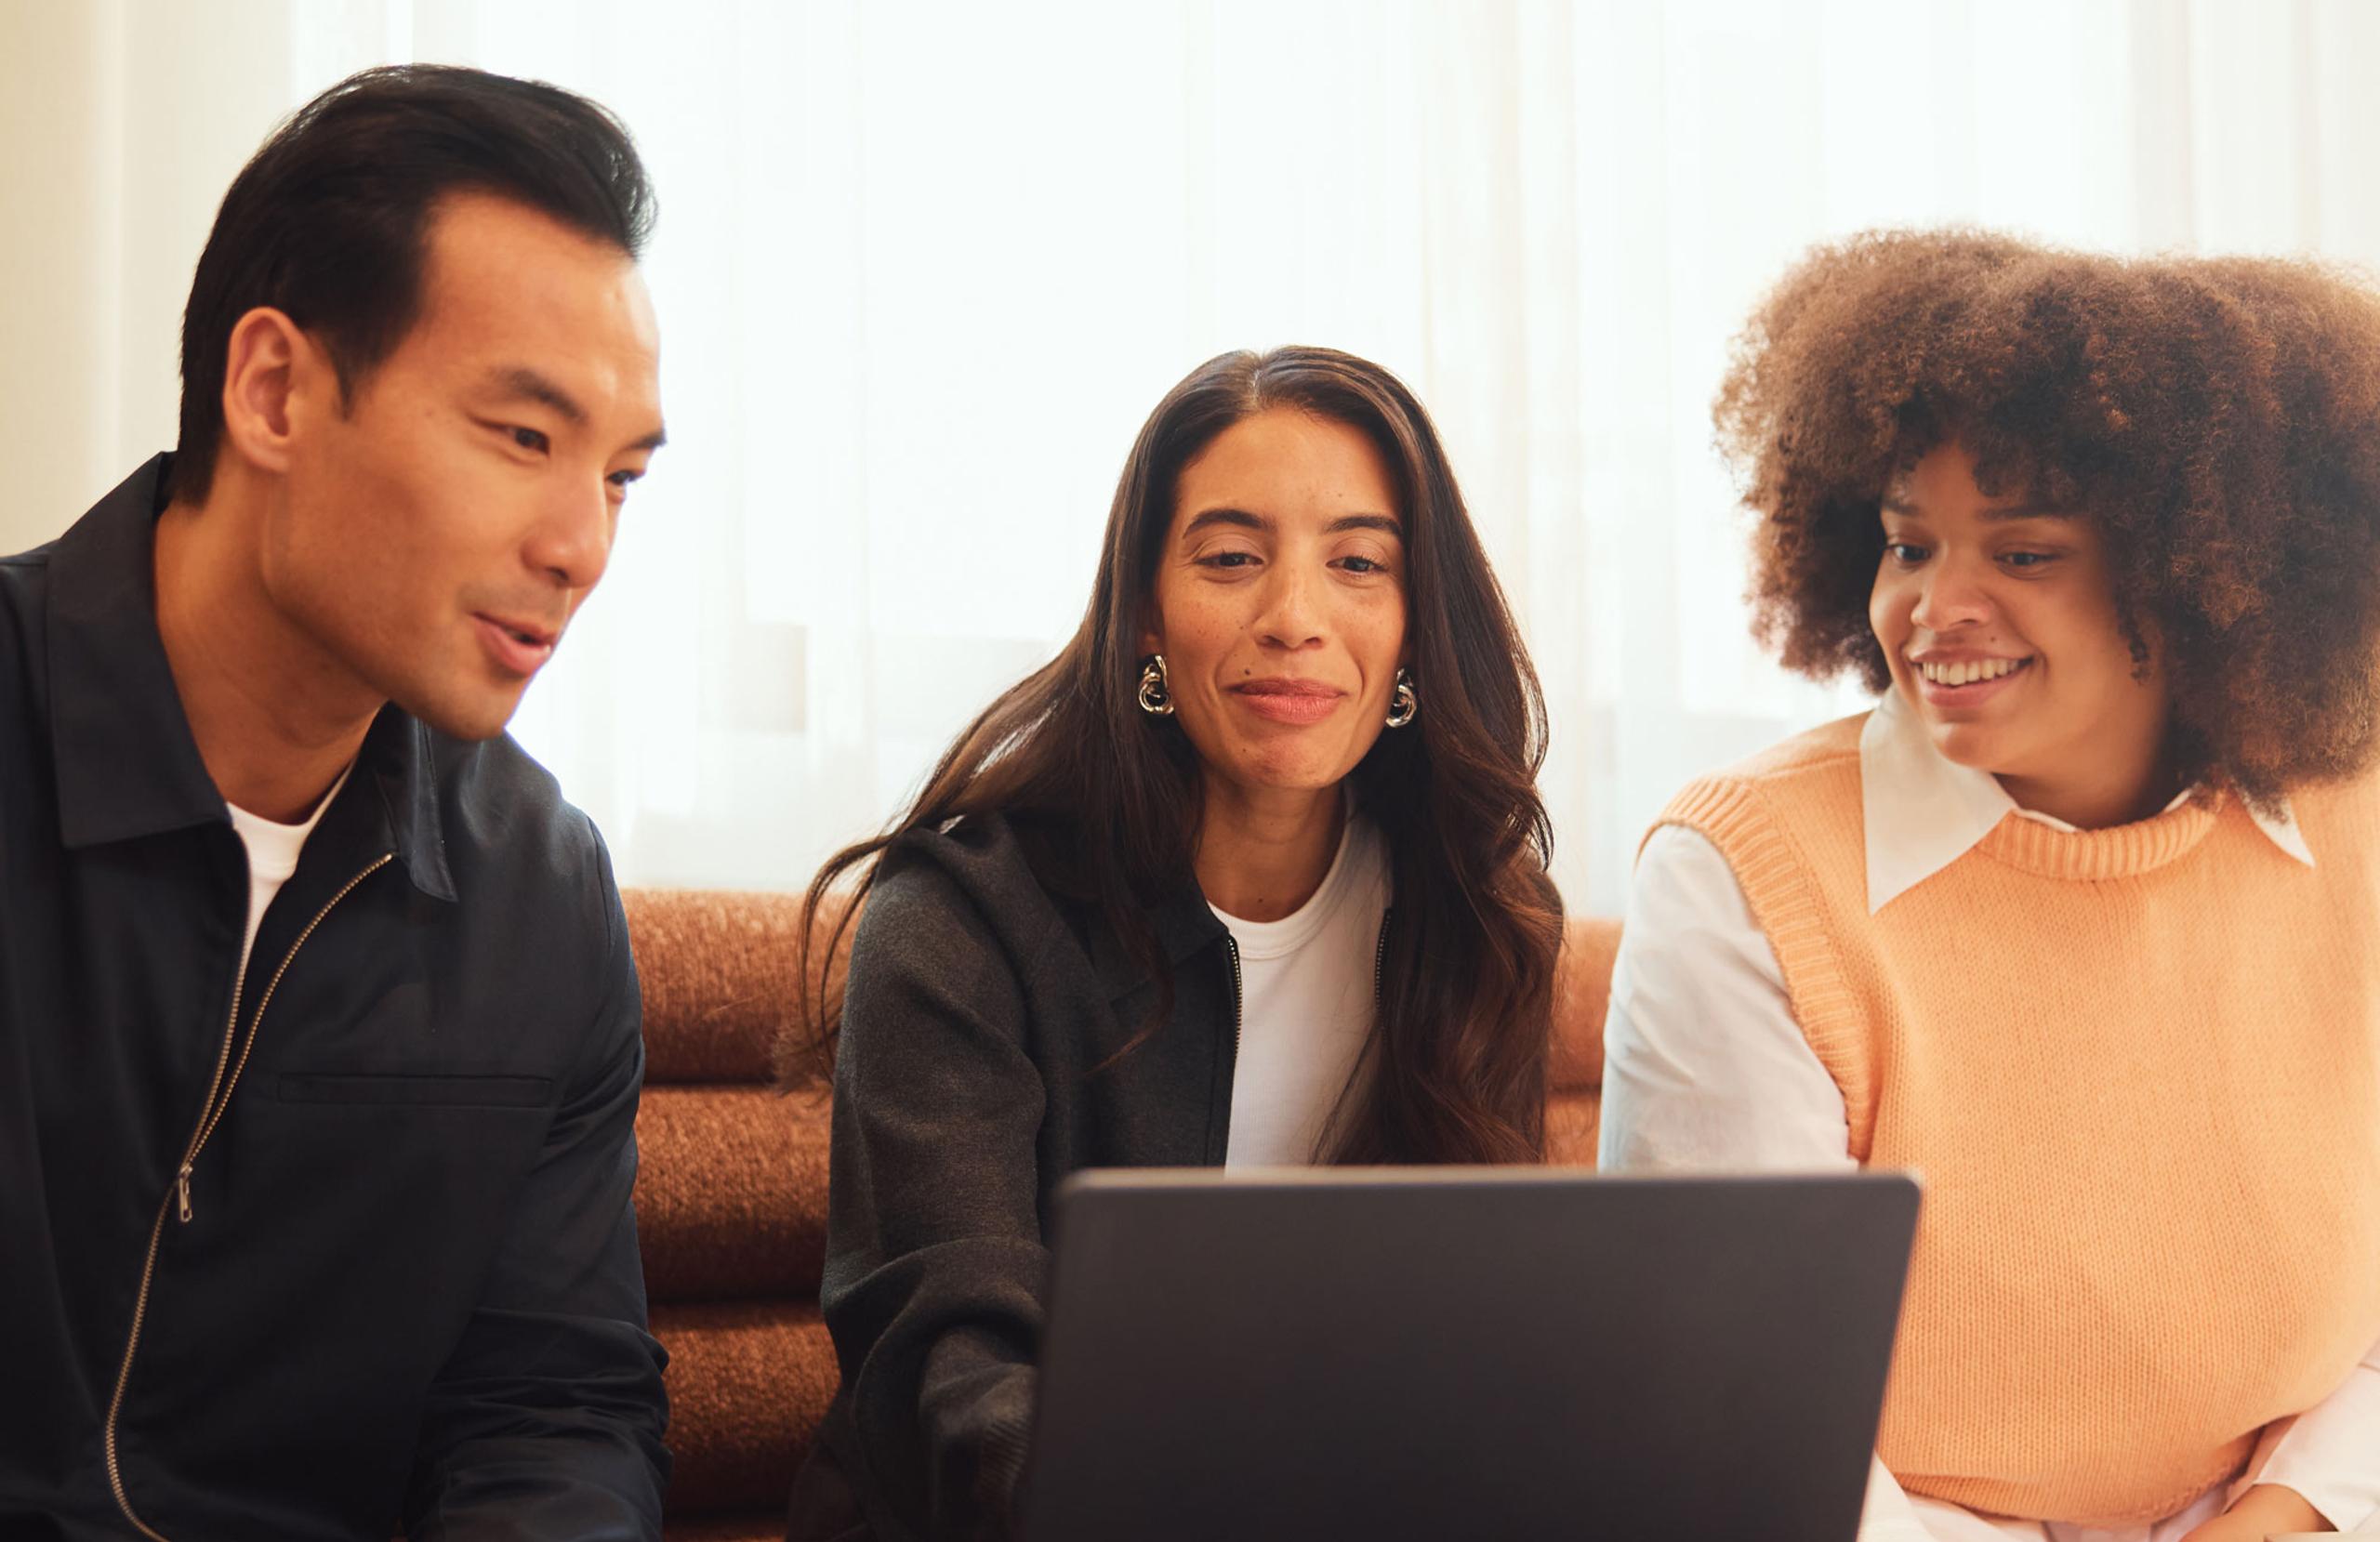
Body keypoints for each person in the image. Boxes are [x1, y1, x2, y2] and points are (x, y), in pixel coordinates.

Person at [1600, 230, 2380, 1542]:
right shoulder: (1746, 871)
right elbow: (1740, 1422)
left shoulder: (2348, 812)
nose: (1934, 607)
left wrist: (2291, 1513)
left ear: (2201, 582)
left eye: (2021, 554)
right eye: (1910, 547)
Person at [0, 65, 672, 1538]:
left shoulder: (541, 894)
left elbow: (549, 1404)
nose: (580, 544)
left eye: (622, 475)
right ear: (276, 389)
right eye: (522, 436)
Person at [783, 346, 1567, 1541]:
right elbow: (953, 1374)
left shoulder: (1475, 912)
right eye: (1231, 559)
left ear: (1414, 629)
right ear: (1146, 611)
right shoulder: (960, 918)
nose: (1293, 619)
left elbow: (1477, 1330)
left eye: (1357, 563)